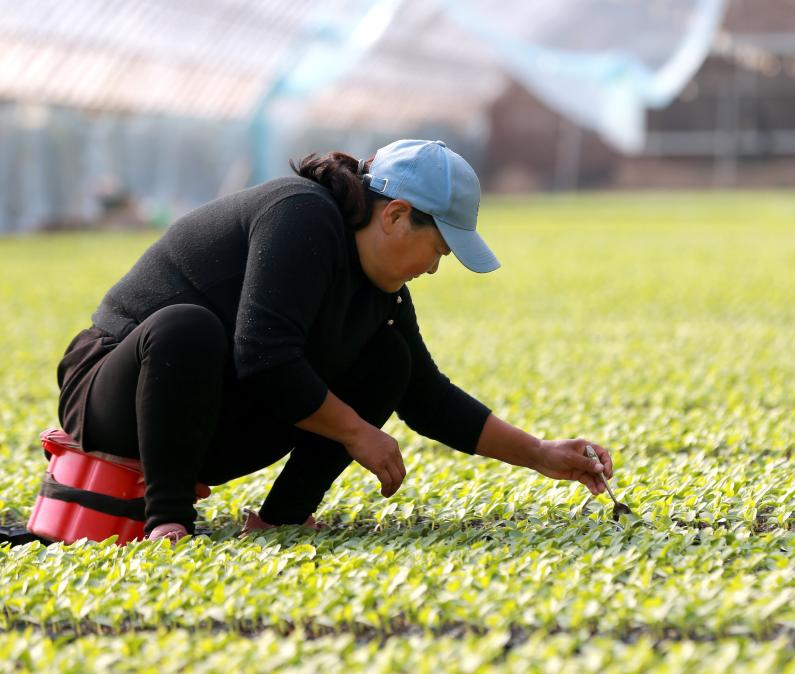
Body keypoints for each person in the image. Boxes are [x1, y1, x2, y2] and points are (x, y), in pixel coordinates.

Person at [55, 139, 615, 542]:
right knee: (189, 327)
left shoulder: (380, 290)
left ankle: (282, 518)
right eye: (439, 250)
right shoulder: (300, 216)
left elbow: (424, 394)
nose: (435, 268)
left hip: (201, 421)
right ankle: (168, 521)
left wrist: (541, 454)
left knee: (387, 361)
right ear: (396, 216)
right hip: (114, 396)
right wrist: (357, 434)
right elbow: (262, 355)